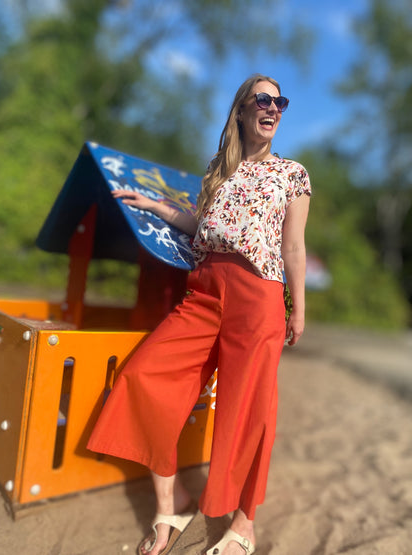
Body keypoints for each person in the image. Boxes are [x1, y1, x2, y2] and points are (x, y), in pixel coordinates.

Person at [87, 73, 311, 555]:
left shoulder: (292, 174)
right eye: (263, 100)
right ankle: (172, 506)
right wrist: (157, 206)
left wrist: (297, 307)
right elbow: (201, 225)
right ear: (242, 110)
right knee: (145, 378)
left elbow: (293, 247)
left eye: (280, 103)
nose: (273, 108)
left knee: (248, 412)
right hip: (205, 291)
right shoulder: (218, 170)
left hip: (259, 296)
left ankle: (244, 524)